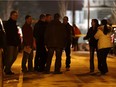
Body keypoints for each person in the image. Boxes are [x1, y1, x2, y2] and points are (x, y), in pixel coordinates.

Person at [4, 10, 20, 75]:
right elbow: (7, 34)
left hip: (15, 43)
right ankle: (7, 70)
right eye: (14, 15)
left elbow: (16, 34)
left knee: (14, 57)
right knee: (10, 57)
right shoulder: (8, 23)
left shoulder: (14, 23)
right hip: (10, 43)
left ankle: (7, 68)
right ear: (11, 16)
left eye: (17, 15)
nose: (16, 16)